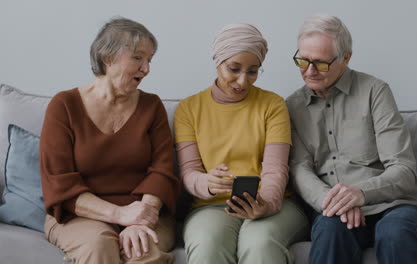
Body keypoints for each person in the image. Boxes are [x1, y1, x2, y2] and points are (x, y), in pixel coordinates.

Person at [286, 15, 417, 264]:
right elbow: (300, 169)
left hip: (396, 206)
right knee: (330, 231)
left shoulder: (375, 91)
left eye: (320, 63)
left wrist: (360, 194)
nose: (309, 71)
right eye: (302, 60)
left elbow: (404, 169)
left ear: (346, 58)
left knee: (394, 234)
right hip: (334, 211)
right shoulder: (292, 106)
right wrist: (335, 203)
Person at [40, 17, 180, 264]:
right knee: (98, 244)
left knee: (143, 251)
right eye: (138, 58)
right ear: (108, 58)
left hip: (144, 211)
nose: (146, 69)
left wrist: (140, 217)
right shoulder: (64, 106)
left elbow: (162, 171)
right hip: (80, 216)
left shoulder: (152, 106)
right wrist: (119, 214)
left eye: (149, 60)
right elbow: (59, 184)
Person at [174, 24, 308, 264]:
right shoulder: (189, 109)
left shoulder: (272, 105)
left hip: (273, 203)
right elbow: (189, 172)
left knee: (260, 244)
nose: (242, 81)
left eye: (253, 71)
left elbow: (276, 169)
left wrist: (266, 204)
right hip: (211, 206)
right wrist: (207, 183)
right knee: (207, 244)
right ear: (218, 61)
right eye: (234, 69)